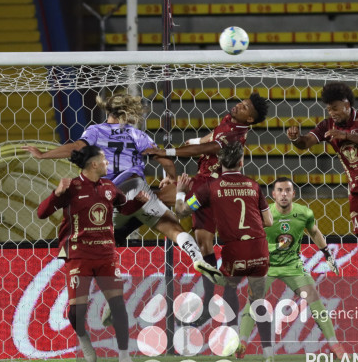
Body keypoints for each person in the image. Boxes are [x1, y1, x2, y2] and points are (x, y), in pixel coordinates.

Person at [23, 93, 217, 282]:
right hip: (138, 187)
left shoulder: (95, 131)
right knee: (171, 226)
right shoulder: (136, 134)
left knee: (104, 246)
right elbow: (164, 160)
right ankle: (197, 258)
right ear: (127, 113)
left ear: (109, 111)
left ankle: (106, 296)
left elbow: (76, 147)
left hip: (111, 197)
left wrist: (43, 155)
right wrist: (170, 178)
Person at [147, 92, 270, 326]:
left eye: (244, 107)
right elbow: (201, 142)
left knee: (154, 201)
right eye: (241, 103)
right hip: (206, 184)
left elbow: (205, 148)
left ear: (250, 120)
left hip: (209, 187)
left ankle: (123, 226)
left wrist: (168, 153)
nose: (238, 106)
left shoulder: (235, 135)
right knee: (204, 243)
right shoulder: (228, 121)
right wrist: (189, 145)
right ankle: (208, 305)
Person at [286, 82, 358, 325]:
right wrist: (296, 139)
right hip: (356, 189)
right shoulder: (328, 125)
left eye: (336, 108)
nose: (332, 114)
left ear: (348, 105)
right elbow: (306, 143)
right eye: (329, 109)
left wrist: (346, 135)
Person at [36, 145, 152, 362]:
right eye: (104, 159)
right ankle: (82, 335)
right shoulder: (71, 187)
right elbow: (41, 213)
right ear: (93, 164)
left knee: (118, 306)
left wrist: (139, 201)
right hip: (78, 255)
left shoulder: (109, 187)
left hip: (106, 254)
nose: (107, 162)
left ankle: (124, 358)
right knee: (75, 311)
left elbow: (124, 208)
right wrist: (56, 194)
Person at [173, 142, 277, 362]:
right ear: (242, 162)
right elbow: (269, 221)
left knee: (229, 287)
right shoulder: (253, 185)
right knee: (259, 300)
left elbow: (181, 211)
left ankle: (232, 341)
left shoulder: (211, 187)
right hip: (259, 248)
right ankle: (268, 354)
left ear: (219, 165)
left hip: (235, 250)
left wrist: (181, 189)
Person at [235, 177, 345, 362]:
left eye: (287, 190)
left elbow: (315, 232)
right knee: (253, 300)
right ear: (273, 194)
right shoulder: (263, 214)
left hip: (293, 265)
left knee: (314, 299)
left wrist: (327, 253)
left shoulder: (304, 213)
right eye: (280, 190)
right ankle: (242, 343)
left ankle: (334, 345)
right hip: (266, 266)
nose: (284, 194)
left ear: (294, 194)